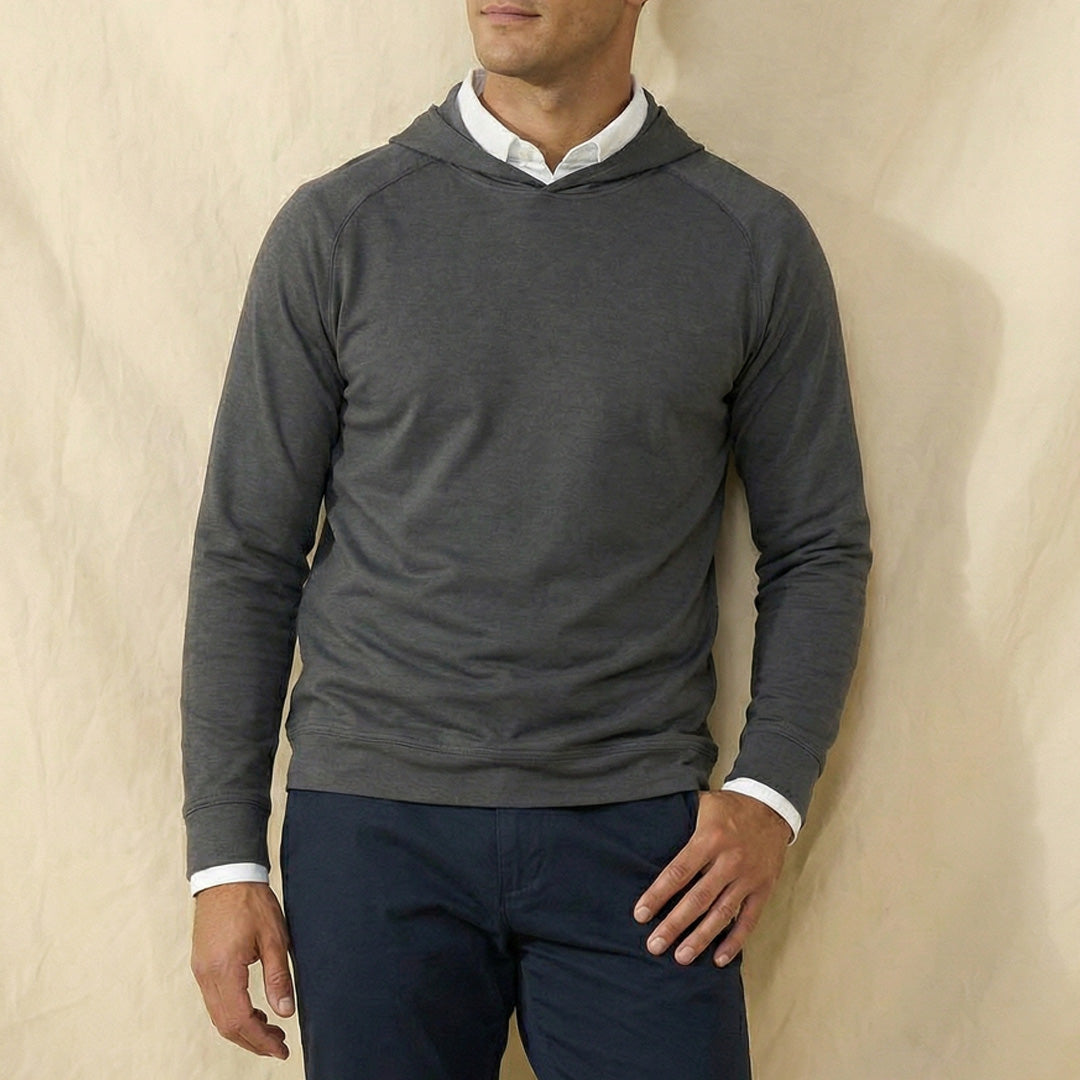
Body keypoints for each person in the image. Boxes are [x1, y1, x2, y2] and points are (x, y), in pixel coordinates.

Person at [181, 0, 872, 1076]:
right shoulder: (340, 227)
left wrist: (768, 797)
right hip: (373, 830)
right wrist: (224, 863)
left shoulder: (747, 240)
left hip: (643, 844)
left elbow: (818, 543)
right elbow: (248, 552)